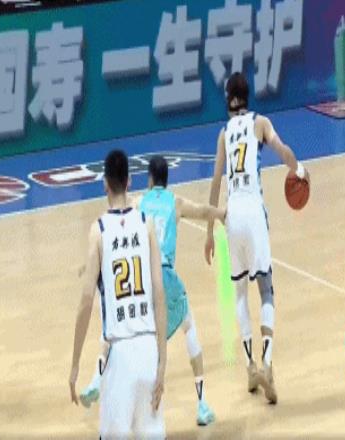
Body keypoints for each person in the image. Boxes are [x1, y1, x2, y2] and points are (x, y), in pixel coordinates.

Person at [80, 155, 225, 426]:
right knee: (189, 329)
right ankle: (202, 404)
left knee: (112, 333)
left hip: (144, 280)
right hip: (166, 277)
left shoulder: (138, 203)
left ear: (148, 179)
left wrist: (90, 264)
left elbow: (115, 232)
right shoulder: (175, 202)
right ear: (166, 179)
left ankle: (95, 380)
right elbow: (204, 211)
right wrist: (222, 215)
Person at [204, 72, 310, 404]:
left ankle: (250, 366)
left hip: (231, 215)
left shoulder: (224, 133)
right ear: (247, 96)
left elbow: (216, 182)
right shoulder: (260, 123)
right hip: (253, 211)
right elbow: (282, 151)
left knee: (239, 292)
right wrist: (299, 170)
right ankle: (267, 364)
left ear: (228, 98)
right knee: (266, 289)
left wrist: (209, 231)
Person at [69, 149, 167, 439]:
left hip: (119, 354)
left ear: (105, 184)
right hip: (149, 349)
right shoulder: (146, 224)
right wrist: (162, 362)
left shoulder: (99, 230)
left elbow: (86, 301)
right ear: (129, 181)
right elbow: (159, 294)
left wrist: (75, 364)